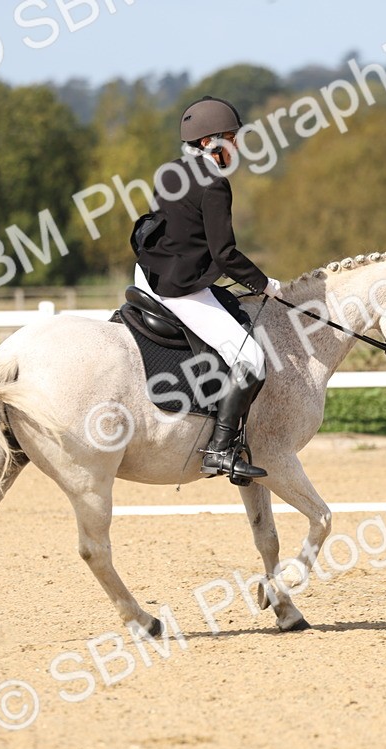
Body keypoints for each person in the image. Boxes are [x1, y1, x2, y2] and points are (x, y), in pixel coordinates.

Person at [133, 95, 282, 483]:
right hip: (180, 288)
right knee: (251, 358)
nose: (235, 146)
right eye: (230, 138)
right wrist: (266, 285)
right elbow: (225, 252)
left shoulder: (169, 171)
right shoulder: (215, 184)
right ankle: (220, 449)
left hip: (147, 273)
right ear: (207, 142)